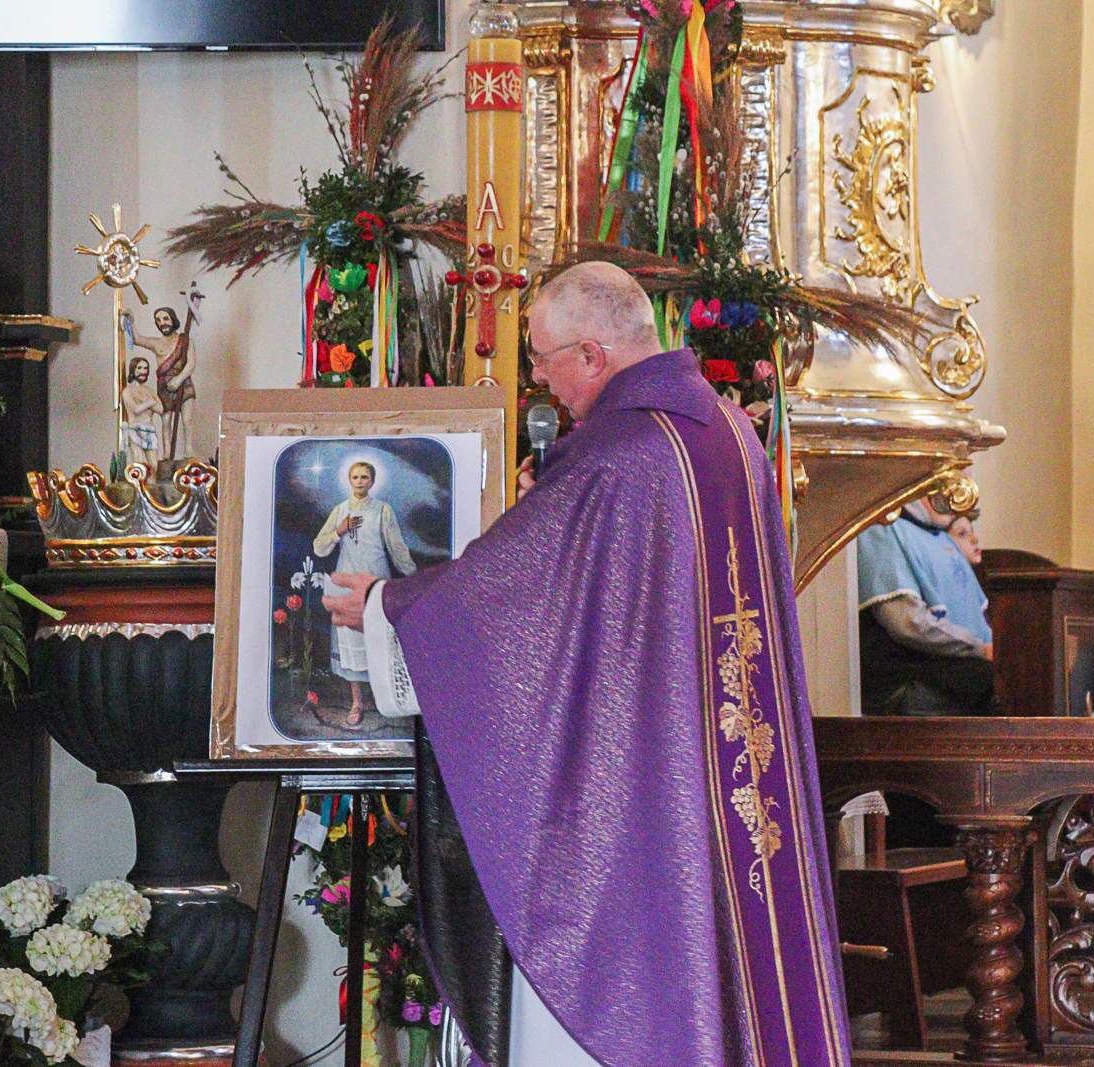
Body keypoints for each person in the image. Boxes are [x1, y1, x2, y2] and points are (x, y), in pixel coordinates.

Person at [321, 262, 850, 1067]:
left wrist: (389, 605)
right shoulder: (727, 429)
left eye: (543, 360)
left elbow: (515, 604)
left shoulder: (622, 452)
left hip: (648, 800)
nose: (540, 381)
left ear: (593, 355)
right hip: (731, 774)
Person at [855, 495, 995, 716]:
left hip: (942, 665)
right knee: (992, 683)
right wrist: (980, 649)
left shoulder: (942, 538)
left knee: (1008, 677)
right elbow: (908, 625)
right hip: (900, 677)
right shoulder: (882, 529)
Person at [312, 461, 416, 729]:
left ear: (372, 481)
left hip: (375, 581)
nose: (360, 481)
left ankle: (387, 701)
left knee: (380, 639)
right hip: (347, 581)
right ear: (350, 480)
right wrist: (339, 531)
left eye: (365, 477)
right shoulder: (340, 510)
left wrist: (414, 576)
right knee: (351, 643)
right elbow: (319, 548)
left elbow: (396, 547)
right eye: (355, 477)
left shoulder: (383, 510)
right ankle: (357, 702)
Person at [129, 306, 197, 460]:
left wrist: (179, 379)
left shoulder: (186, 341)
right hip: (165, 387)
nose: (162, 323)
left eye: (165, 319)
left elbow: (191, 364)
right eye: (158, 320)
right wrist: (131, 321)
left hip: (184, 385)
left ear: (173, 319)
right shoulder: (156, 343)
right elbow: (136, 339)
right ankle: (167, 452)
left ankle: (188, 450)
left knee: (187, 419)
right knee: (166, 421)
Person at [120, 355, 163, 467]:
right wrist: (150, 402)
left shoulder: (149, 391)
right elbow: (136, 409)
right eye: (139, 368)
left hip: (149, 430)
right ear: (133, 370)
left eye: (145, 368)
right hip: (135, 429)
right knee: (139, 464)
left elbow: (160, 409)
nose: (143, 371)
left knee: (153, 466)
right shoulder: (128, 391)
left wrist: (147, 402)